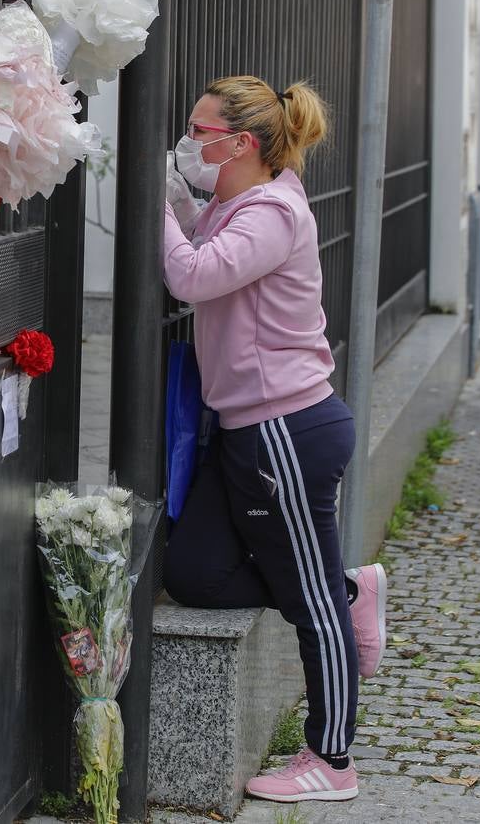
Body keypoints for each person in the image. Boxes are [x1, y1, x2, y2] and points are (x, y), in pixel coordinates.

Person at [161, 76, 386, 804]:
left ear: (242, 144)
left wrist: (147, 195)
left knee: (307, 603)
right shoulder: (239, 202)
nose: (188, 143)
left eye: (199, 132)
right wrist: (174, 201)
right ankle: (343, 589)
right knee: (195, 573)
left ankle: (332, 760)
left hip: (283, 428)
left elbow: (192, 275)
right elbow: (195, 240)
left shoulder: (273, 213)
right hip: (249, 429)